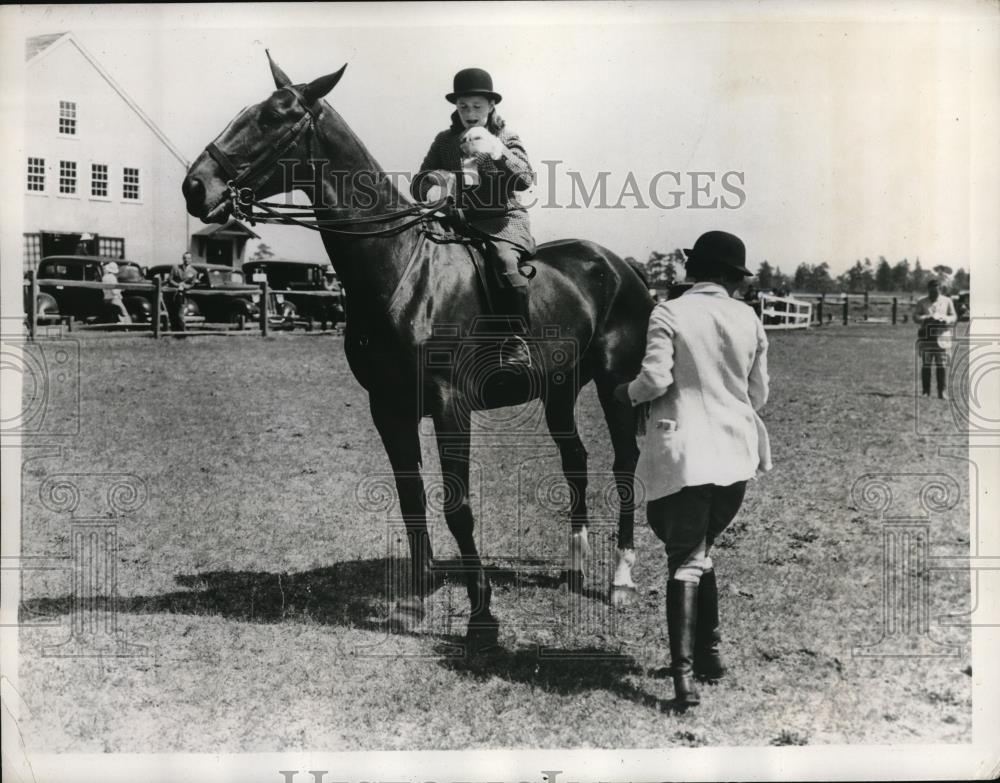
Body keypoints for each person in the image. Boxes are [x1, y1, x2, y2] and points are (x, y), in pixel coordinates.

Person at [613, 230, 772, 707]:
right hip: (736, 455)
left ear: (698, 270)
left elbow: (656, 377)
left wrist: (625, 394)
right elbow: (758, 395)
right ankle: (710, 656)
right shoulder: (749, 317)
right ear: (731, 277)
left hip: (685, 453)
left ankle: (684, 681)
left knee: (684, 560)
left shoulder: (670, 311)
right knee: (701, 550)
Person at [413, 67, 536, 368]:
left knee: (505, 262)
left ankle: (518, 342)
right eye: (463, 106)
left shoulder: (507, 136)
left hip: (503, 223)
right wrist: (434, 181)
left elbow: (526, 180)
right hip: (459, 223)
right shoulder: (444, 140)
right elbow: (417, 184)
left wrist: (498, 151)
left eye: (477, 106)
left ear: (492, 106)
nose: (469, 112)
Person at [913, 279, 957, 399]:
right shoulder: (921, 302)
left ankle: (942, 392)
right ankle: (926, 391)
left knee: (941, 364)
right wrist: (926, 317)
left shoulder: (947, 301)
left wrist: (945, 318)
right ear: (928, 290)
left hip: (942, 336)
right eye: (932, 291)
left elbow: (953, 316)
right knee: (926, 364)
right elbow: (915, 316)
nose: (934, 293)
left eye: (937, 290)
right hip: (927, 336)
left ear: (940, 289)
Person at [167, 251, 199, 332]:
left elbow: (192, 284)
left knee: (180, 313)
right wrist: (178, 285)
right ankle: (174, 331)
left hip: (183, 295)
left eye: (188, 258)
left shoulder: (194, 272)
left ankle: (182, 332)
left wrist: (184, 286)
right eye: (185, 258)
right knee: (172, 313)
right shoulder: (175, 268)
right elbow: (170, 280)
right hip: (172, 294)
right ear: (182, 259)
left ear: (191, 259)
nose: (186, 260)